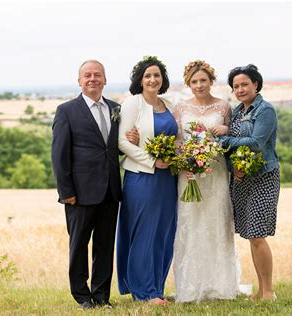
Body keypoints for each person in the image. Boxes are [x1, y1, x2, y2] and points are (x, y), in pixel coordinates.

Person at [51, 59, 138, 309]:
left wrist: (133, 140)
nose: (92, 79)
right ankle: (82, 296)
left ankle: (101, 296)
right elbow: (59, 155)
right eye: (87, 75)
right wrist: (65, 191)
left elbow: (114, 149)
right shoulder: (66, 111)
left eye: (97, 75)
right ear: (79, 81)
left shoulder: (116, 109)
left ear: (105, 80)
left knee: (104, 246)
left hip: (111, 190)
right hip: (79, 193)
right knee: (78, 246)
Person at [172, 60, 239, 302]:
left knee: (216, 222)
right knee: (190, 222)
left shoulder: (224, 107)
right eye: (194, 81)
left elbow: (232, 137)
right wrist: (186, 159)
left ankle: (221, 285)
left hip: (216, 172)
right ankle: (190, 285)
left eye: (203, 80)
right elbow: (178, 141)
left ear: (211, 81)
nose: (199, 85)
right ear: (188, 83)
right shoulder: (180, 107)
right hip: (189, 174)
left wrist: (226, 131)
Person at [116, 56, 178, 305]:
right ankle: (144, 292)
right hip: (142, 178)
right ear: (140, 80)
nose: (153, 79)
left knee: (163, 233)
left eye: (157, 75)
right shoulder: (133, 104)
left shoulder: (169, 103)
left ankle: (157, 288)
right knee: (144, 233)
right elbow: (122, 141)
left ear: (163, 79)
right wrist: (153, 161)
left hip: (167, 180)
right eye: (148, 76)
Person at [219, 64, 280, 301]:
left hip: (263, 177)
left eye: (244, 84)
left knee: (257, 235)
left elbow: (255, 143)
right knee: (250, 235)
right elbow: (237, 141)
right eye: (236, 86)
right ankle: (260, 290)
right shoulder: (237, 111)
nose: (240, 89)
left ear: (256, 84)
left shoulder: (265, 110)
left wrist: (222, 139)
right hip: (241, 179)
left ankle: (268, 291)